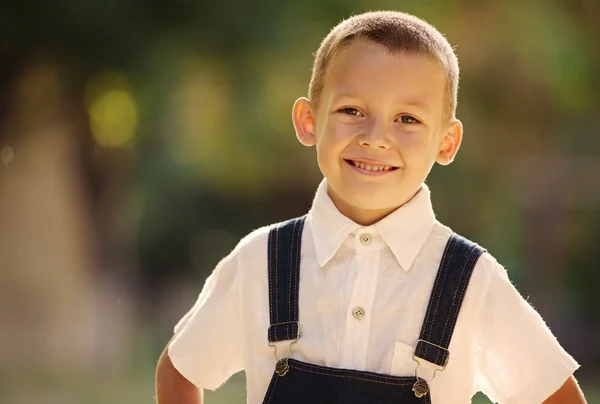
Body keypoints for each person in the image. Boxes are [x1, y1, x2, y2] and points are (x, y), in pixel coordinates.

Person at [155, 10, 586, 404]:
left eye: (408, 119)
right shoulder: (260, 262)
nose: (376, 137)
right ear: (309, 121)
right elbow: (179, 370)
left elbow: (555, 395)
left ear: (446, 142)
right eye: (351, 110)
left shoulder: (471, 281)